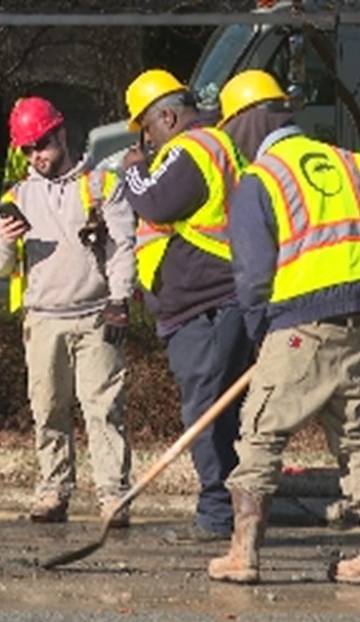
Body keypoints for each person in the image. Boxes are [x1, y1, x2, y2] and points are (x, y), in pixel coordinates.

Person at [207, 70, 360, 587]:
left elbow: (252, 278)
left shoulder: (261, 180)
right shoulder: (350, 163)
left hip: (298, 325)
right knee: (359, 439)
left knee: (259, 434)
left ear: (250, 121)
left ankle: (243, 553)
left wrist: (261, 338)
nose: (231, 143)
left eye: (230, 130)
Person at [0, 96, 137, 527]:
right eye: (29, 149)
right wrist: (6, 240)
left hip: (95, 315)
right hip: (43, 318)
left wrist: (119, 301)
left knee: (103, 408)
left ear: (61, 133)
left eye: (43, 144)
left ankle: (113, 495)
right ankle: (53, 489)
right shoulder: (16, 197)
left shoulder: (102, 185)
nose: (38, 156)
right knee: (48, 408)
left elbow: (124, 246)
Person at [119, 69, 253, 543]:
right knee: (219, 412)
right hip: (211, 303)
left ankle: (218, 517)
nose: (146, 140)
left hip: (208, 305)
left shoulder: (190, 149)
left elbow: (157, 203)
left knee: (207, 413)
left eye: (146, 129)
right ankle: (230, 511)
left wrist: (132, 168)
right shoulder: (216, 146)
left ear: (168, 117)